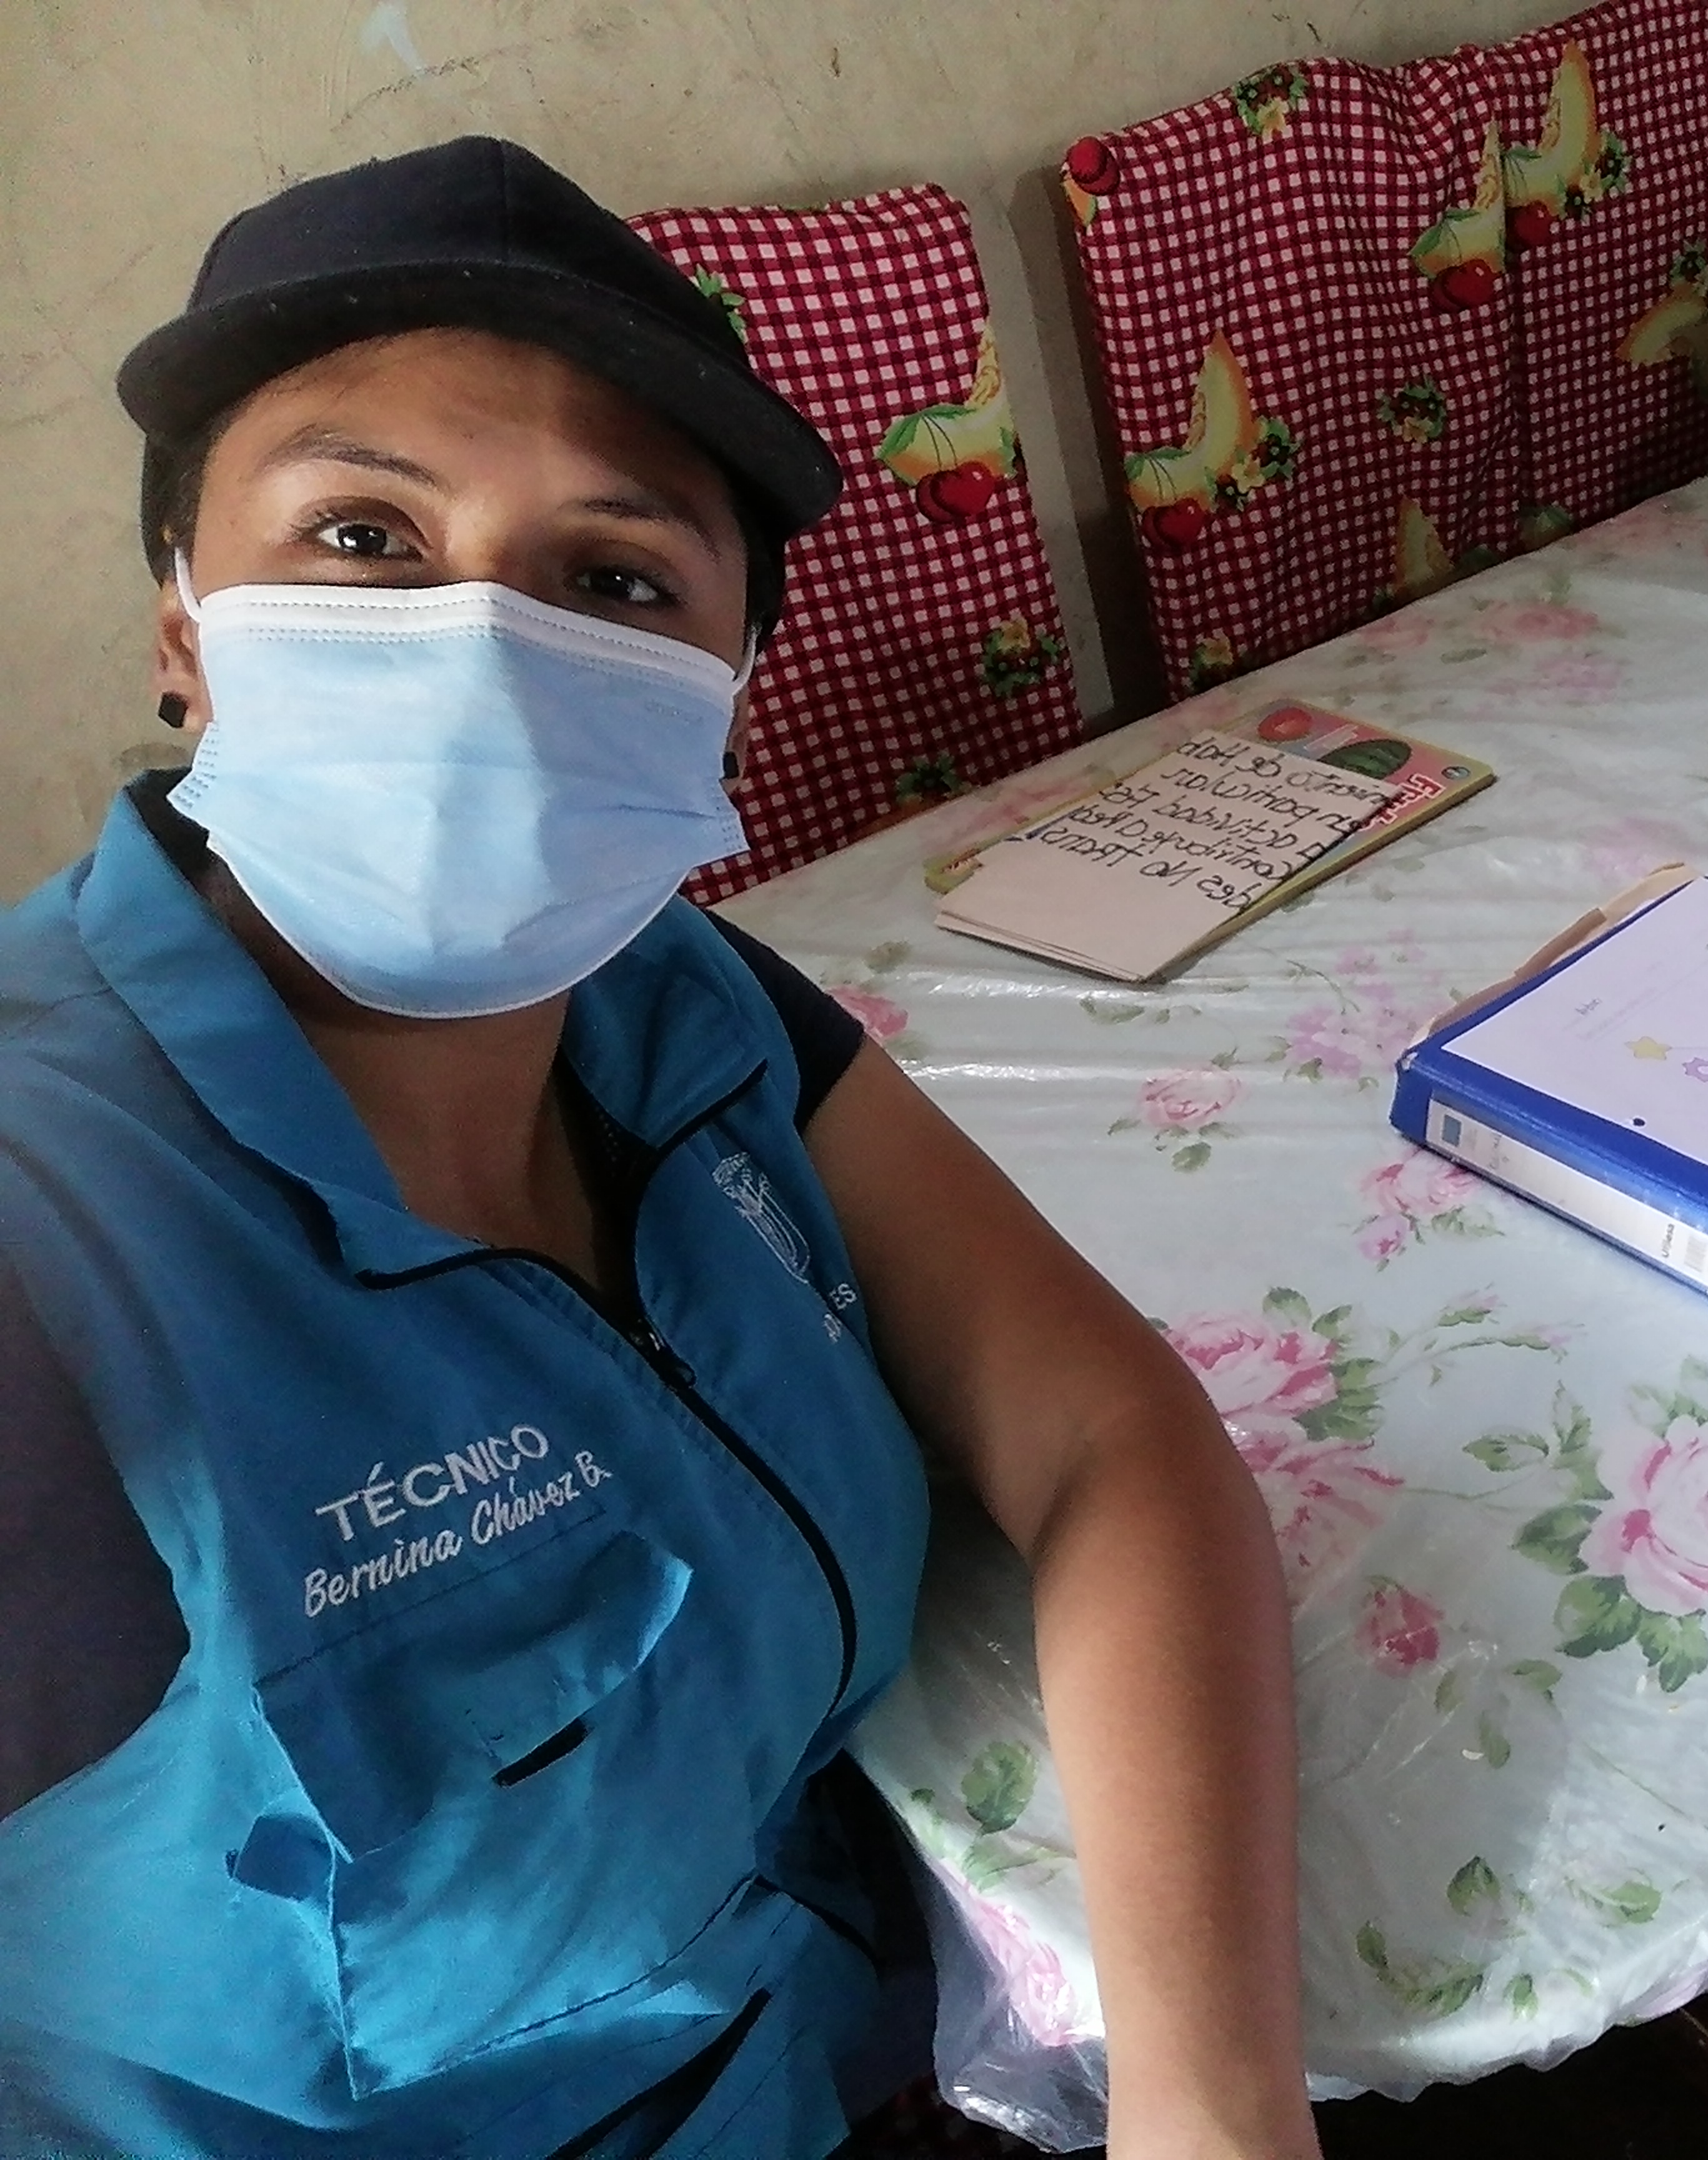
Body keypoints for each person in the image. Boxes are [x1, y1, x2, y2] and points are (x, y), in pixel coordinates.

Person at [0, 139, 1322, 2160]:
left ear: (722, 700)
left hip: (867, 2038)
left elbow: (1099, 1433)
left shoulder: (673, 1004)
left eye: (614, 581)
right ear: (184, 624)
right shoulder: (50, 1239)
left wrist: (1212, 2109)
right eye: (364, 535)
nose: (477, 650)